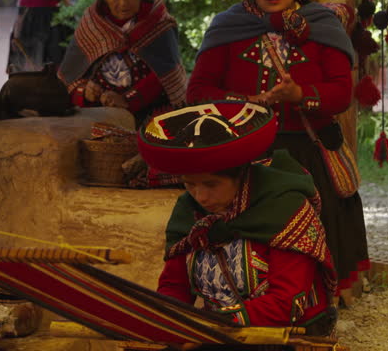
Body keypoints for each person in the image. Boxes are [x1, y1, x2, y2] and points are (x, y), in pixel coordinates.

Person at [186, 0, 370, 298]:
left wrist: (300, 95)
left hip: (308, 151)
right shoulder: (227, 28)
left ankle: (317, 298)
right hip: (246, 153)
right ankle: (255, 296)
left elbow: (341, 93)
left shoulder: (322, 26)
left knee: (314, 226)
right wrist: (247, 103)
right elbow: (198, 91)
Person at [137, 101, 337, 335]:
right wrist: (167, 317)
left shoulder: (284, 209)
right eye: (190, 184)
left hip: (289, 333)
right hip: (217, 330)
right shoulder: (188, 212)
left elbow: (286, 302)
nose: (200, 196)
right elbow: (174, 286)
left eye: (211, 184)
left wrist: (214, 323)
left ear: (240, 175)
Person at [57, 0, 187, 125]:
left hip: (153, 117)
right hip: (99, 118)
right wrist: (86, 92)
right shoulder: (91, 26)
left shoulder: (159, 25)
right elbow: (70, 79)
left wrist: (127, 100)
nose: (124, 3)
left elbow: (167, 76)